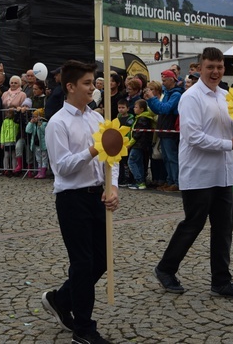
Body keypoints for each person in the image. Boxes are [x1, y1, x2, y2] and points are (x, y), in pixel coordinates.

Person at [152, 47, 233, 300]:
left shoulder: (227, 96)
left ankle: (221, 281)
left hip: (224, 172)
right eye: (210, 67)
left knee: (223, 228)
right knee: (193, 224)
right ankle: (165, 268)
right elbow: (193, 137)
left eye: (219, 67)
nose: (215, 72)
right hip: (198, 172)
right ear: (199, 68)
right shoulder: (191, 97)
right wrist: (230, 144)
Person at [41, 60, 119, 344]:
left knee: (101, 260)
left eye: (94, 82)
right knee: (83, 263)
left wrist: (113, 187)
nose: (93, 87)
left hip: (97, 195)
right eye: (87, 83)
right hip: (71, 199)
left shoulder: (97, 119)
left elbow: (113, 155)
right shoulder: (57, 123)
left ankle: (61, 299)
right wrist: (91, 150)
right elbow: (62, 167)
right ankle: (84, 330)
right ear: (70, 86)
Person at [144, 70, 182, 192]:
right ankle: (170, 180)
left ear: (172, 80)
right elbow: (158, 110)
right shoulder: (167, 93)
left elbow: (165, 109)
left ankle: (176, 182)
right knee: (166, 157)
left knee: (172, 157)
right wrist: (151, 100)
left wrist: (152, 99)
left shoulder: (176, 94)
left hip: (170, 130)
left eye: (165, 80)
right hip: (164, 129)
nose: (163, 83)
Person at [128, 99, 155, 190]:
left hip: (138, 144)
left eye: (136, 107)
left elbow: (137, 134)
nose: (134, 109)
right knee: (138, 162)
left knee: (132, 161)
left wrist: (130, 143)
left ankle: (139, 181)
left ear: (142, 109)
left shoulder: (142, 119)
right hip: (141, 144)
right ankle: (141, 181)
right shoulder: (141, 118)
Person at [25, 108, 49, 179]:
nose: (34, 118)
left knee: (44, 158)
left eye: (35, 117)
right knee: (38, 159)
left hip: (43, 144)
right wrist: (30, 122)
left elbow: (44, 131)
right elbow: (28, 130)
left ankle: (43, 172)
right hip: (36, 144)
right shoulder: (33, 124)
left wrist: (40, 124)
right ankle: (39, 171)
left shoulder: (44, 123)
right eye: (33, 117)